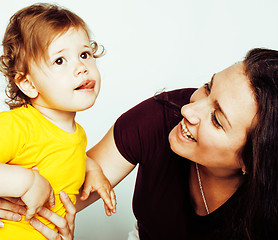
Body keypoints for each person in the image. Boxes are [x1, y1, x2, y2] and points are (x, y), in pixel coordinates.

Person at [2, 48, 278, 240]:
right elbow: (61, 190)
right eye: (207, 86)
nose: (188, 111)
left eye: (217, 120)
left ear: (253, 160)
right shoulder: (161, 117)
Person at [0, 3, 116, 240]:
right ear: (28, 84)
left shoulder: (77, 134)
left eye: (84, 55)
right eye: (60, 60)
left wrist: (91, 168)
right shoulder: (17, 126)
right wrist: (26, 180)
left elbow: (62, 155)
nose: (81, 67)